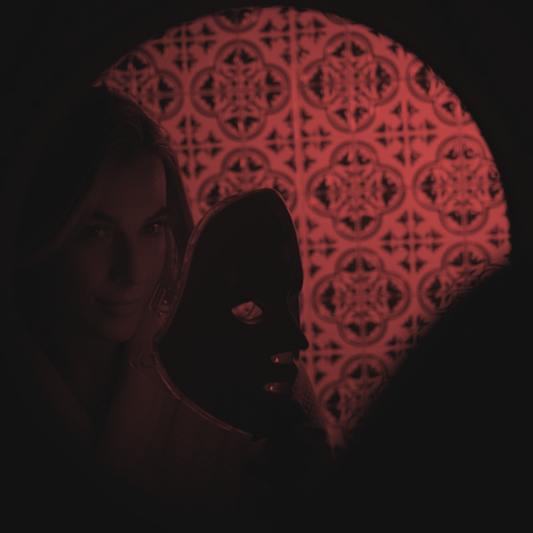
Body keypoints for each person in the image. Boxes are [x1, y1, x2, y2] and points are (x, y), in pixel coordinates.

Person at [10, 86, 330, 524]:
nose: (133, 271)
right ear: (38, 235)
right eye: (94, 232)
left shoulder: (259, 372)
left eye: (152, 227)